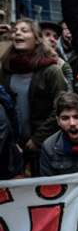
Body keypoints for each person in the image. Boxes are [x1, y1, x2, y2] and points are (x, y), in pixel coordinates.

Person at [0, 19, 69, 169]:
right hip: (11, 146)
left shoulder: (51, 71)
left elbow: (62, 108)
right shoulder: (5, 69)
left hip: (43, 147)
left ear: (37, 40)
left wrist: (35, 141)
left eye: (24, 30)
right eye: (16, 30)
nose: (18, 33)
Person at [38, 21, 75, 92]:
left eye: (55, 37)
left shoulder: (62, 66)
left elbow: (68, 96)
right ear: (37, 38)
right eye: (47, 35)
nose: (52, 39)